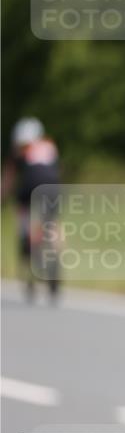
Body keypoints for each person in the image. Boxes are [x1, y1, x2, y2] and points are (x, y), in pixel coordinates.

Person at [3, 117, 61, 303]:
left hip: (29, 188)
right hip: (52, 188)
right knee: (52, 225)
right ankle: (56, 259)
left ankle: (26, 242)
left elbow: (9, 179)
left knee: (25, 221)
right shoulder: (50, 146)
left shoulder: (19, 151)